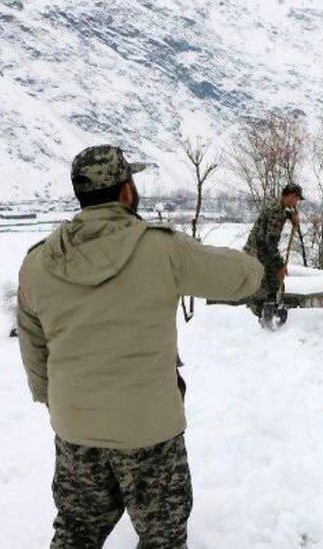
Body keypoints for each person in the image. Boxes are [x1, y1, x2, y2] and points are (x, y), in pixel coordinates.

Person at [17, 145, 263, 547]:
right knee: (161, 537)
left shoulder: (38, 263)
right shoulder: (161, 249)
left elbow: (33, 345)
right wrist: (258, 264)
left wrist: (54, 400)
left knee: (77, 529)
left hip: (75, 425)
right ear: (126, 191)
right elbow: (240, 278)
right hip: (149, 430)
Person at [244, 183, 303, 321]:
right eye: (297, 198)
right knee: (268, 284)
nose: (297, 202)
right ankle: (261, 318)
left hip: (258, 250)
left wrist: (291, 216)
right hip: (258, 253)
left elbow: (282, 214)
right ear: (291, 196)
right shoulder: (277, 212)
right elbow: (269, 243)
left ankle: (266, 315)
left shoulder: (277, 206)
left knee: (272, 283)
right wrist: (280, 265)